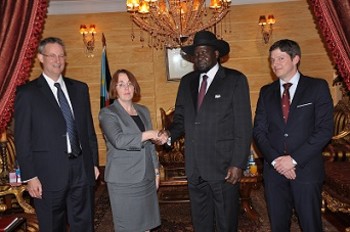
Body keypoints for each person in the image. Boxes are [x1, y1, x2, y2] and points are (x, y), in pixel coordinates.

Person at [163, 30, 252, 232]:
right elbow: (180, 120)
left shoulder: (235, 80)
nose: (200, 56)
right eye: (196, 52)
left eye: (205, 51)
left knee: (226, 222)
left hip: (224, 168)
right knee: (201, 221)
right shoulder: (187, 82)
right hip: (195, 167)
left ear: (216, 54)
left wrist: (238, 163)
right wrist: (168, 135)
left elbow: (244, 126)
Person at [14, 37, 99, 232]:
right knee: (53, 226)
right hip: (47, 174)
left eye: (61, 55)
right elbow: (22, 139)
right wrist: (30, 176)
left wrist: (93, 162)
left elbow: (88, 130)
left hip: (81, 168)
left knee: (84, 224)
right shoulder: (27, 94)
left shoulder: (80, 89)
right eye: (52, 55)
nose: (57, 59)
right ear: (40, 58)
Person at [253, 39, 333, 231]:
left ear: (296, 58)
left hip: (306, 170)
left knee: (310, 225)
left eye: (280, 58)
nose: (275, 64)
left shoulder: (317, 87)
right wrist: (277, 162)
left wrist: (294, 160)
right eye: (272, 60)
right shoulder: (266, 92)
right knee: (278, 226)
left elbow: (324, 130)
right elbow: (259, 131)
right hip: (274, 173)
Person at [98, 69, 161, 232]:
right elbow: (119, 140)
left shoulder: (143, 111)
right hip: (123, 180)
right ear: (114, 89)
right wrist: (148, 134)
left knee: (146, 225)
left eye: (130, 84)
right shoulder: (107, 113)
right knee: (128, 227)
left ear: (135, 88)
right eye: (121, 84)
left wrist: (156, 171)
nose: (126, 88)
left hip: (146, 176)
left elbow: (150, 145)